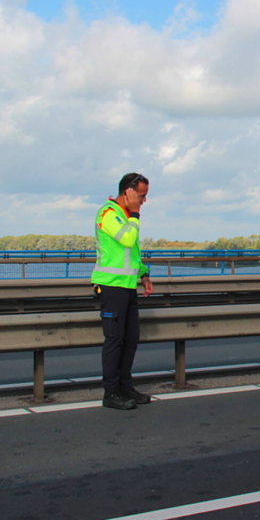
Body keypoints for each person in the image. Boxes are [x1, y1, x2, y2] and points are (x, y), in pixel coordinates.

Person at [91, 172, 155, 410]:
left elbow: (132, 254)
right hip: (111, 286)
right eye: (141, 196)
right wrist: (136, 213)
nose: (143, 201)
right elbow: (128, 240)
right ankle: (111, 392)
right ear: (128, 192)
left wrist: (144, 275)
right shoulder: (109, 213)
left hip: (127, 286)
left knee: (130, 340)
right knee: (115, 340)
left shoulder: (126, 216)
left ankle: (126, 387)